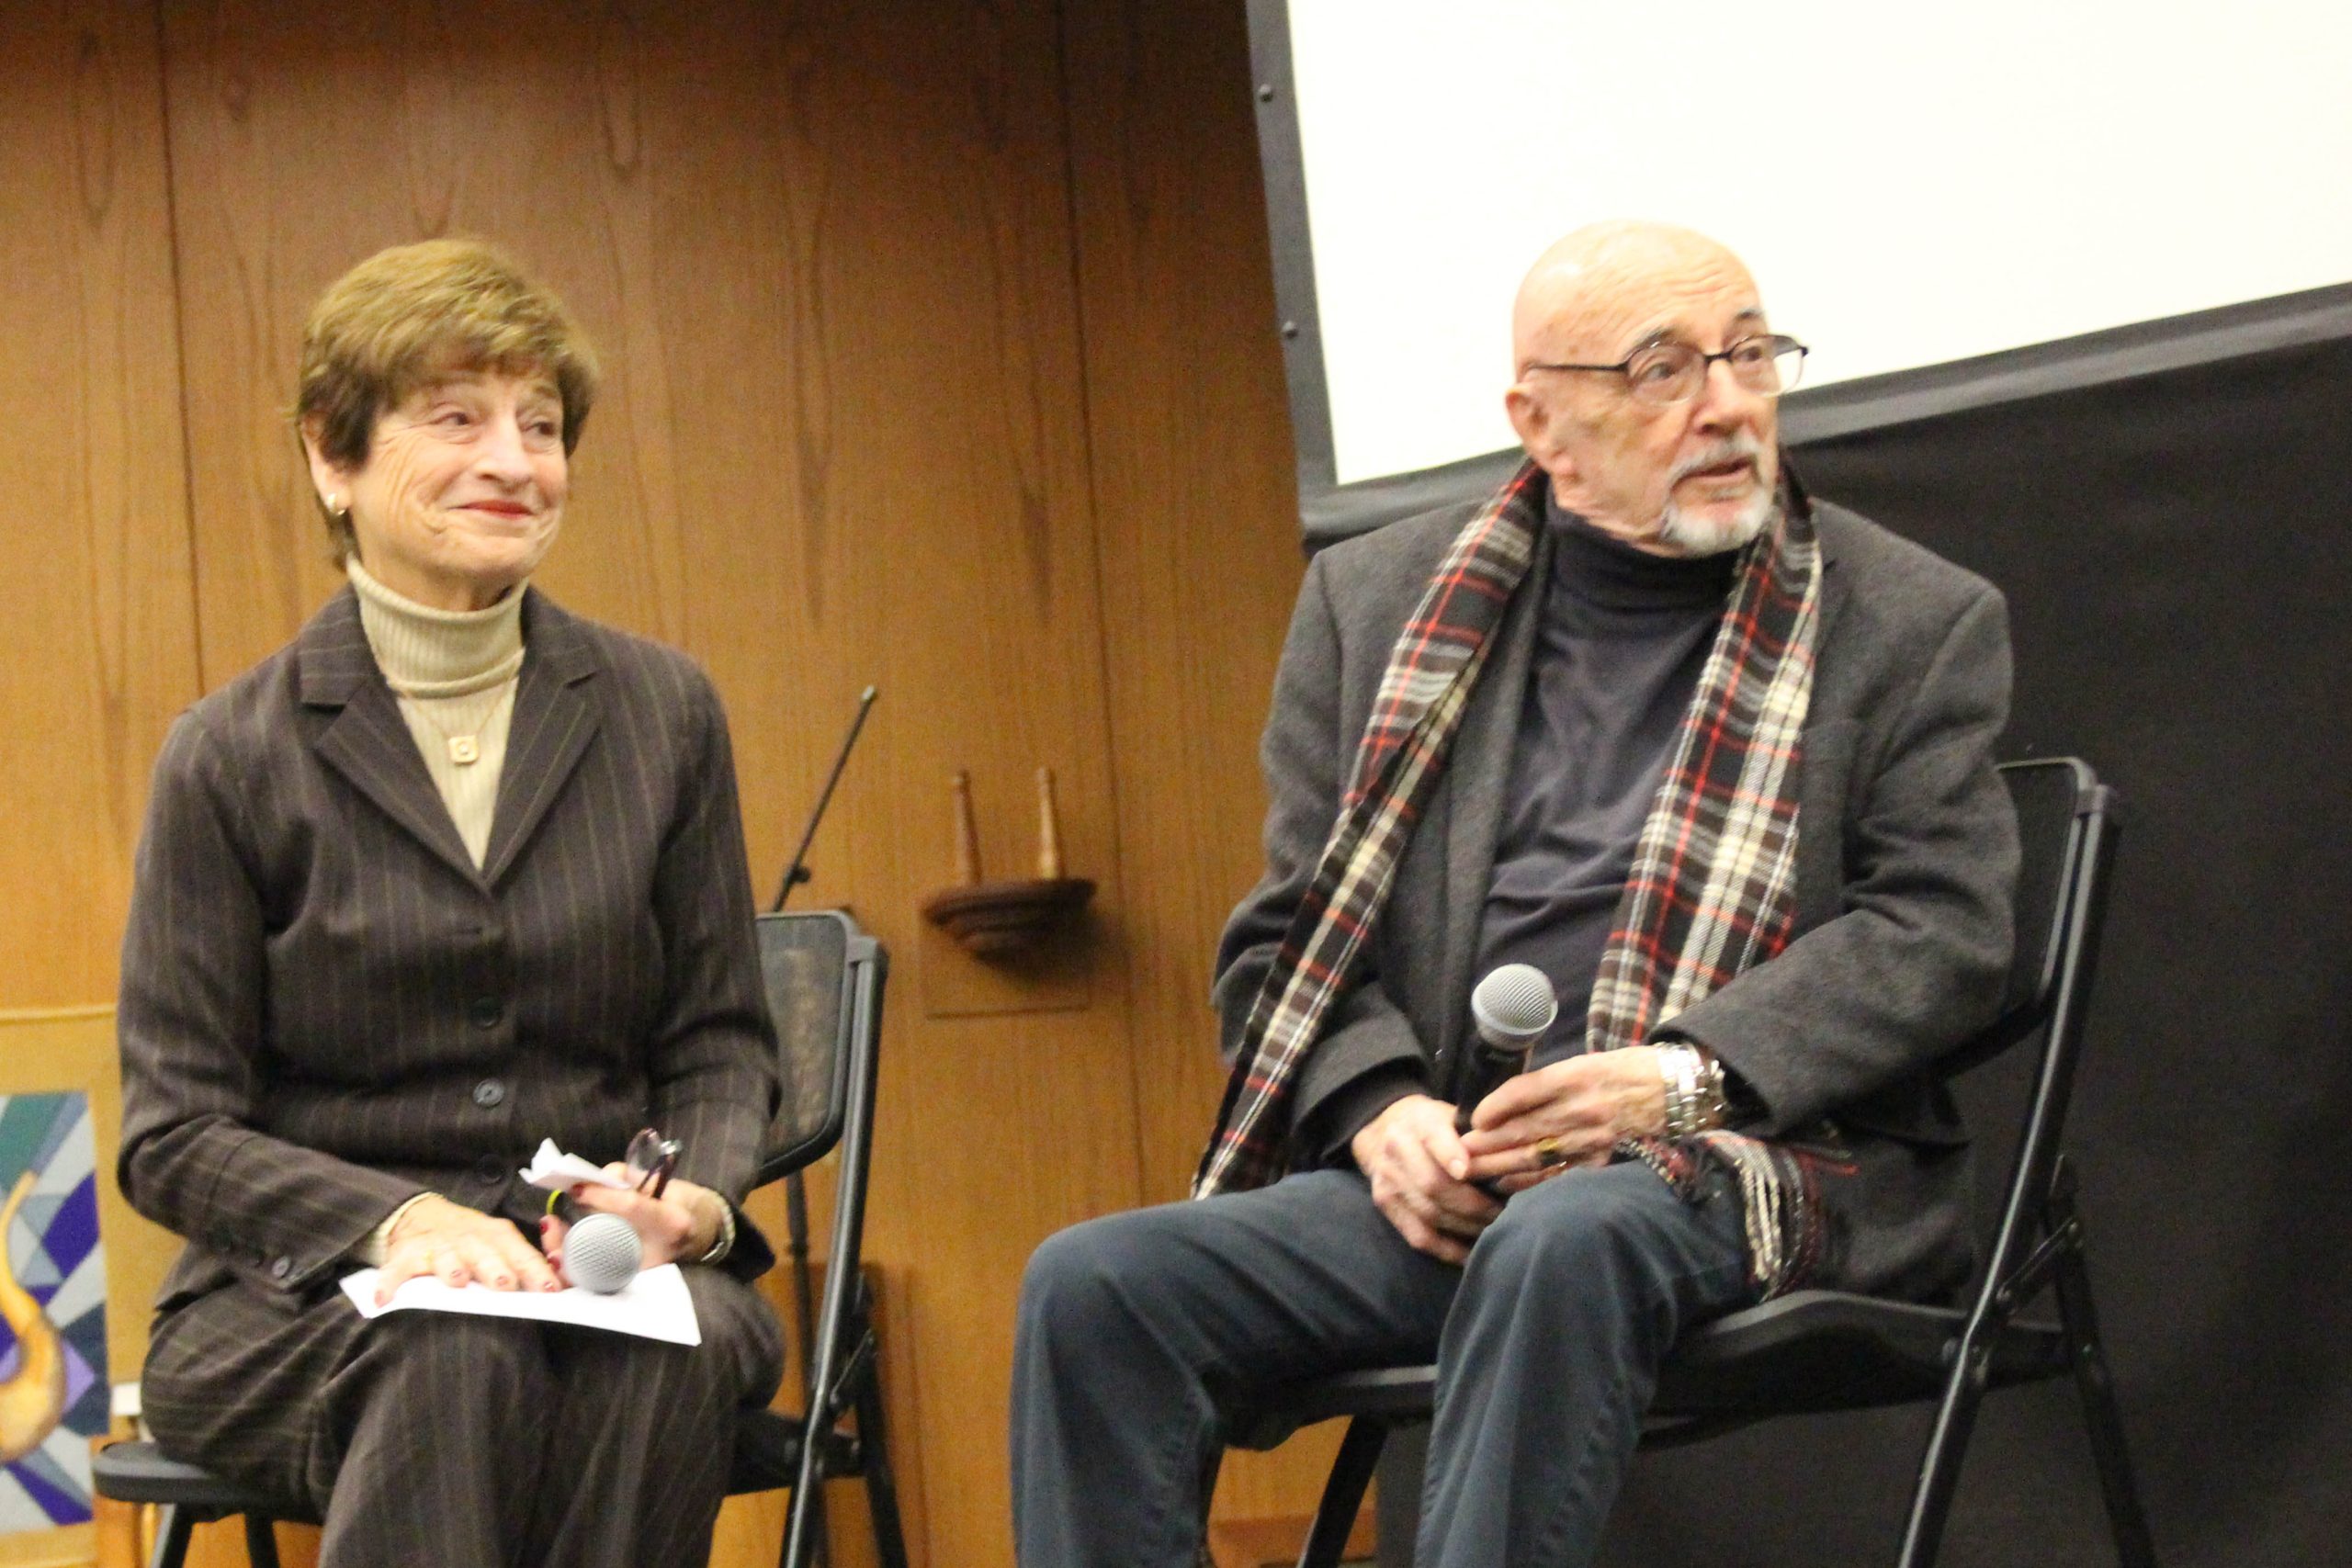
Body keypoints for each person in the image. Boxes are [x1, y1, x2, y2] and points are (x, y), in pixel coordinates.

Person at [1011, 220, 2020, 1565]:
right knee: (1097, 1287)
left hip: (1756, 1163)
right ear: (1541, 423)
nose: (1729, 405)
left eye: (1750, 355)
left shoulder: (1909, 618)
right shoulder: (1376, 604)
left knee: (1570, 1232)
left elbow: (1944, 932)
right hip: (1465, 1171)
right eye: (1663, 371)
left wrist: (1677, 1079)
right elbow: (1288, 942)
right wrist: (1379, 1113)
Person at [117, 239, 785, 1568]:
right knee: (457, 1349)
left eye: (540, 425)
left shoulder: (663, 712)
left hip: (599, 1272)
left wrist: (690, 1204)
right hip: (300, 1298)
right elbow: (174, 1131)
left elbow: (718, 1038)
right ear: (333, 456)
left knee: (677, 1344)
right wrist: (402, 1223)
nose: (514, 462)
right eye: (458, 419)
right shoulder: (229, 753)